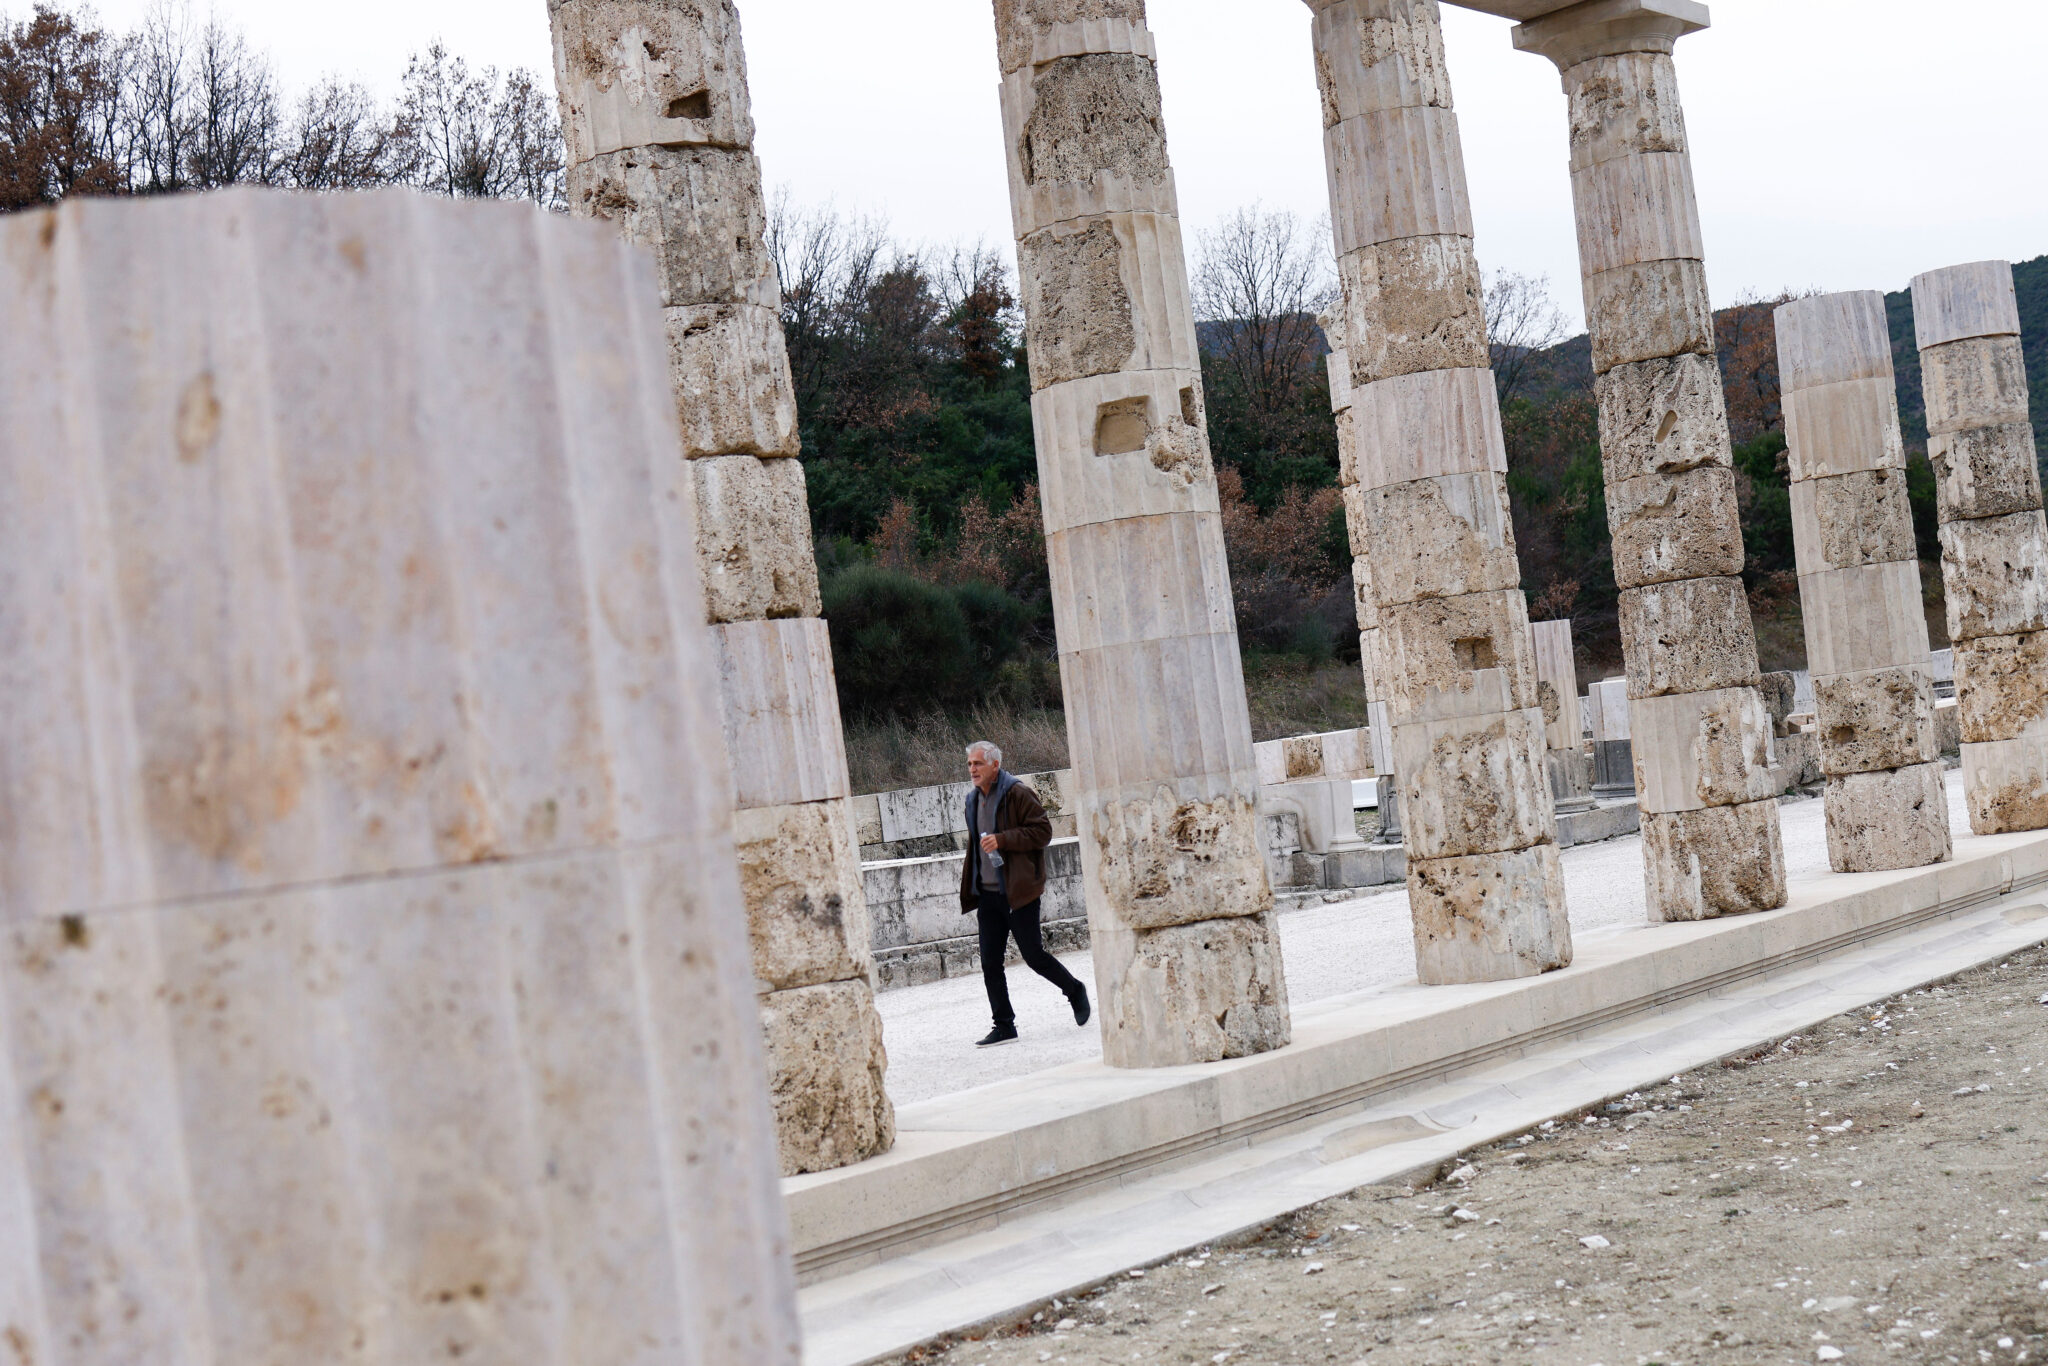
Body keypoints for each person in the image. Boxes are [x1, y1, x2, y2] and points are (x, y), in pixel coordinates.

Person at [961, 740, 1090, 1046]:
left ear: (995, 765)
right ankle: (1004, 1025)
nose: (972, 769)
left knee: (1033, 956)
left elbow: (1043, 832)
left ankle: (1074, 990)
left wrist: (1004, 839)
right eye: (969, 764)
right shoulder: (971, 800)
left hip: (1018, 892)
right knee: (990, 963)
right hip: (988, 895)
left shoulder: (1017, 793)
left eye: (978, 764)